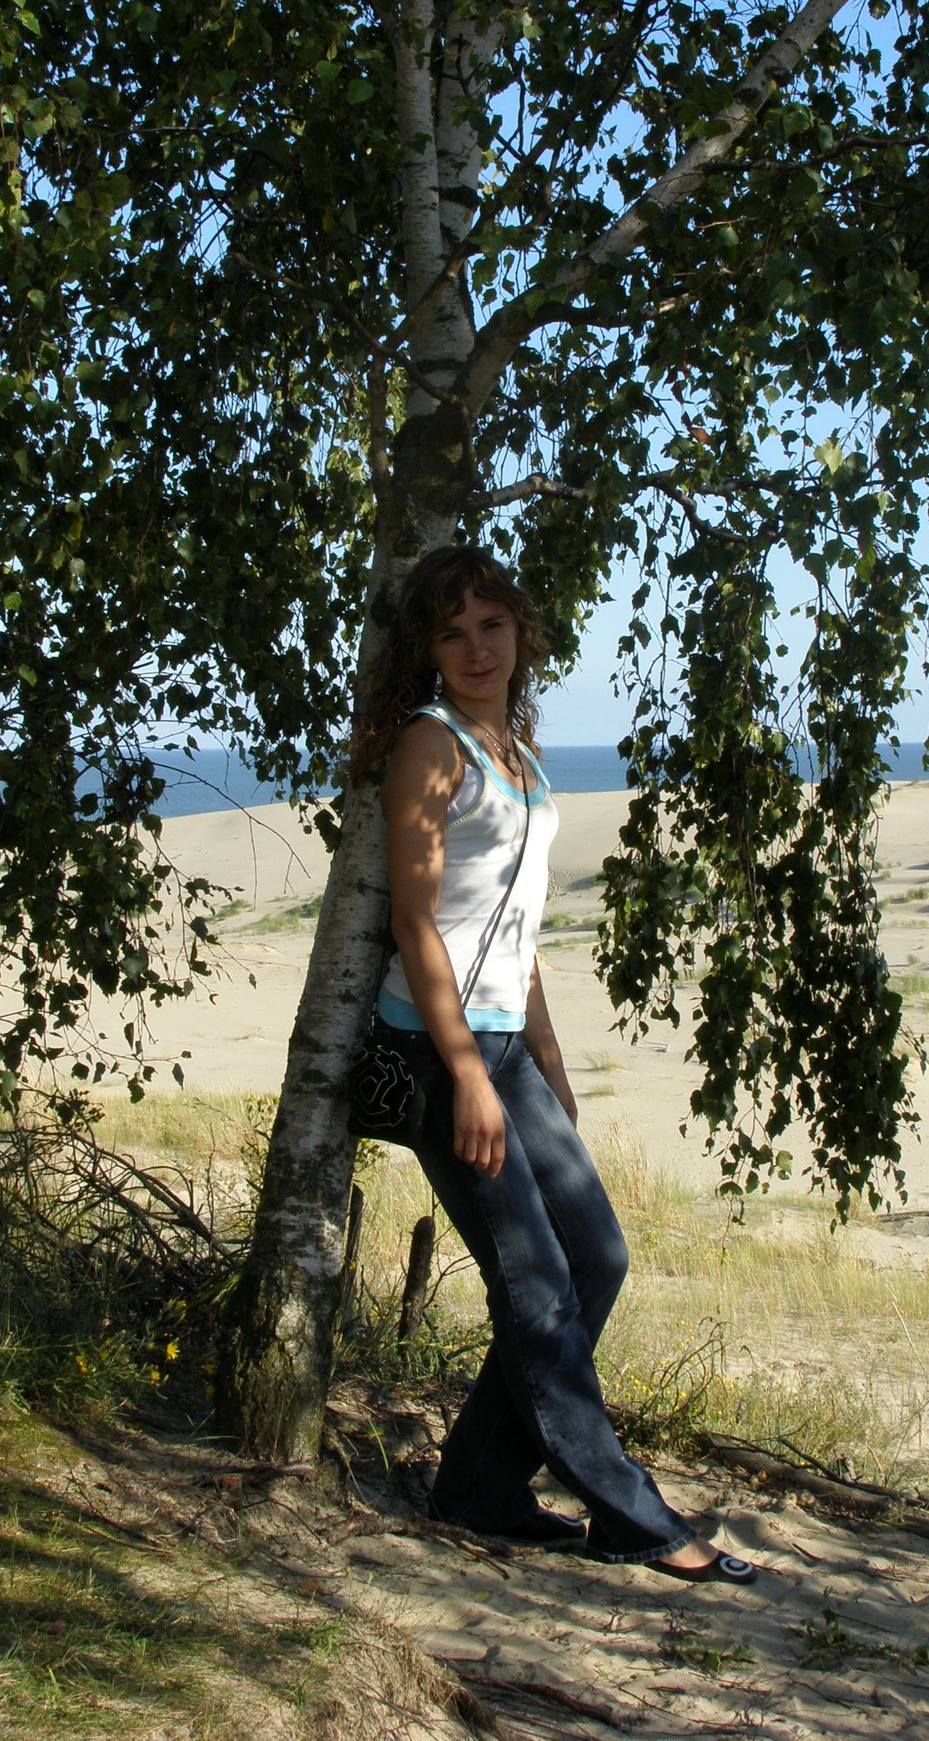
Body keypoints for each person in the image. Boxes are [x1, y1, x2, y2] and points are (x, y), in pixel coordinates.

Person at [351, 543, 756, 1583]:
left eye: (492, 624)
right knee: (535, 1287)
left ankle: (479, 1487)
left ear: (522, 632)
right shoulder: (431, 746)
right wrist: (468, 1075)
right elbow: (415, 922)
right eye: (452, 632)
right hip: (440, 1051)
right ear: (428, 649)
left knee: (597, 1257)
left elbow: (515, 935)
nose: (476, 648)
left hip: (505, 1047)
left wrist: (546, 1065)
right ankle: (631, 1514)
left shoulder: (519, 756)